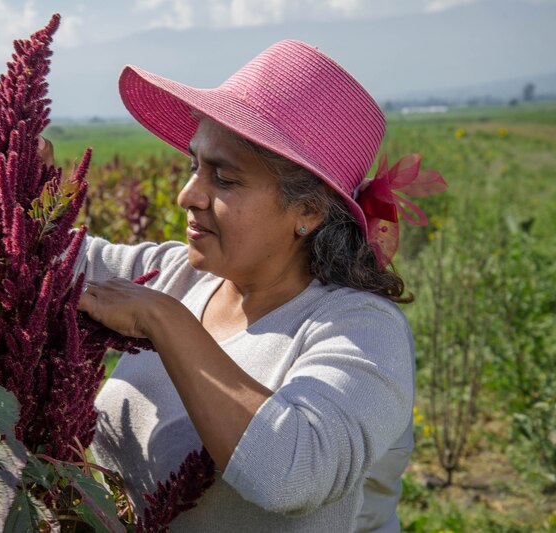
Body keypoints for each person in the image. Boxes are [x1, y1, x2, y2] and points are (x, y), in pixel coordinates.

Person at [72, 40, 445, 532]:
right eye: (194, 166)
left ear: (308, 211)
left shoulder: (362, 330)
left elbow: (292, 474)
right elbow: (36, 258)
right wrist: (4, 171)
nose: (189, 194)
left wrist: (165, 320)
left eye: (224, 179)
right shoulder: (175, 274)